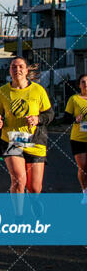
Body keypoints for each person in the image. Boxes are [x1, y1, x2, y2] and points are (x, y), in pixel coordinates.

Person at [0, 57, 54, 194]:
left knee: (34, 188)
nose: (17, 70)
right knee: (19, 181)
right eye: (13, 67)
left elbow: (50, 115)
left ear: (27, 70)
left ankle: (34, 205)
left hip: (35, 141)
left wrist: (37, 119)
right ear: (9, 70)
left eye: (21, 66)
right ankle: (18, 216)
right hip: (12, 141)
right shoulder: (2, 91)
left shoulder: (38, 90)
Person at [64, 74, 87, 203]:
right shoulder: (74, 99)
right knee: (83, 167)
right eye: (83, 82)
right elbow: (66, 118)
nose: (86, 84)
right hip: (78, 138)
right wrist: (75, 119)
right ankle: (85, 192)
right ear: (79, 85)